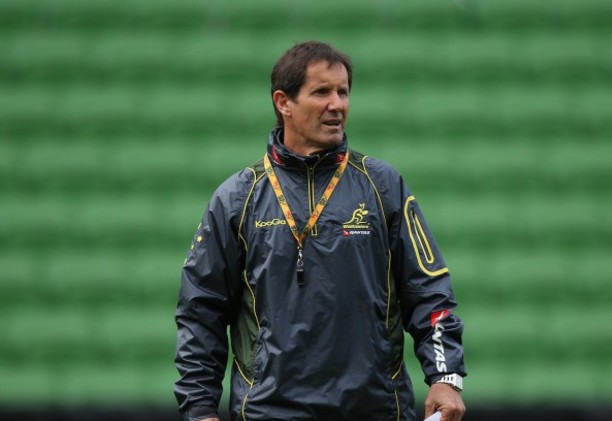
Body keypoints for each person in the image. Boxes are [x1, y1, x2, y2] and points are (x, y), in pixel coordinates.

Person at [174, 40, 466, 421]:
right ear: (284, 102)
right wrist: (199, 408)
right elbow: (201, 311)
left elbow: (429, 291)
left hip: (373, 409)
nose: (337, 104)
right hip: (269, 412)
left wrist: (445, 376)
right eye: (322, 92)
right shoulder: (237, 198)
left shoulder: (383, 186)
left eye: (343, 92)